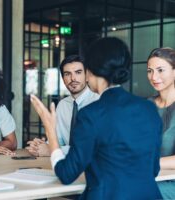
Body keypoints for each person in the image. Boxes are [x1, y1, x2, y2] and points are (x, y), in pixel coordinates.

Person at [30, 37, 162, 199]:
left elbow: (66, 174)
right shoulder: (148, 108)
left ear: (91, 71)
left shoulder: (91, 114)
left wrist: (50, 130)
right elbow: (153, 169)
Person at [26, 55, 99, 156]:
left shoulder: (99, 103)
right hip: (67, 165)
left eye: (78, 72)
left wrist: (52, 150)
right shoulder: (63, 105)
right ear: (63, 79)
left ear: (87, 76)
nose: (73, 78)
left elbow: (92, 147)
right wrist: (41, 146)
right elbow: (58, 140)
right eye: (67, 74)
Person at [147, 47, 175, 199]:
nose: (153, 76)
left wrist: (149, 162)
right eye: (150, 71)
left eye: (160, 70)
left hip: (170, 182)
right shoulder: (146, 106)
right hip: (147, 176)